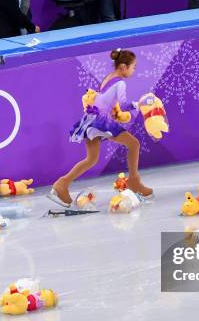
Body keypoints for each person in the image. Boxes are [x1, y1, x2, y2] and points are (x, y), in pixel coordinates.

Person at [48, 49, 153, 207]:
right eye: (134, 67)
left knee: (91, 159)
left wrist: (115, 112)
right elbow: (123, 104)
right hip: (101, 121)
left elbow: (105, 99)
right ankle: (133, 181)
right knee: (134, 144)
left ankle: (61, 184)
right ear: (123, 67)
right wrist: (139, 104)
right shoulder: (120, 82)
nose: (134, 70)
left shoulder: (108, 78)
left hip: (92, 119)